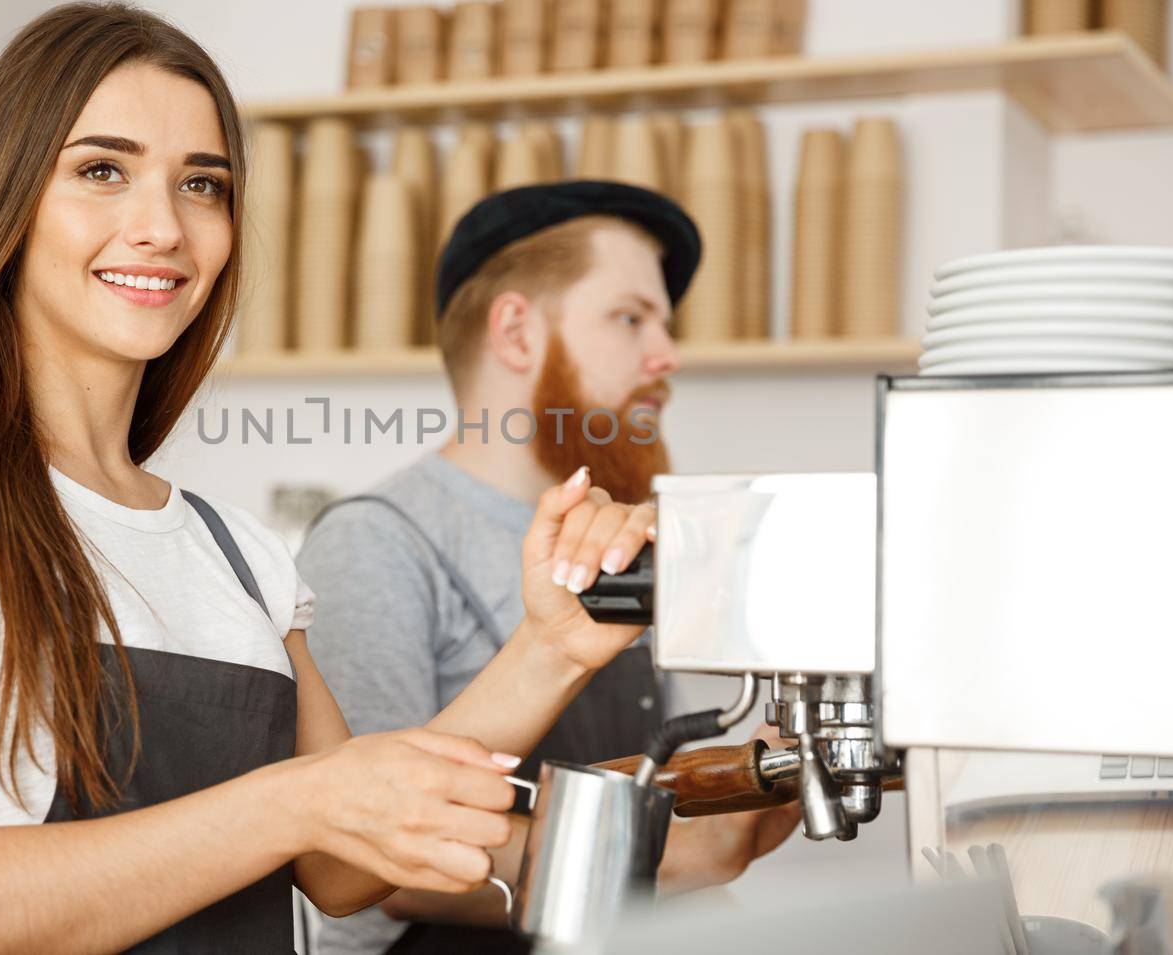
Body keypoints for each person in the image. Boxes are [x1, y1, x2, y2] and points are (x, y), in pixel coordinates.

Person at [0, 2, 660, 954]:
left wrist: (553, 648)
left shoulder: (236, 553)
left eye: (202, 185)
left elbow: (348, 866)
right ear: (9, 201)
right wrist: (292, 801)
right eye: (102, 170)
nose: (162, 227)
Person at [300, 182, 802, 954]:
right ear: (516, 331)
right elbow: (373, 866)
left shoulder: (618, 541)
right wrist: (673, 862)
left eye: (664, 325)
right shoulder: (376, 544)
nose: (667, 356)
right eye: (631, 318)